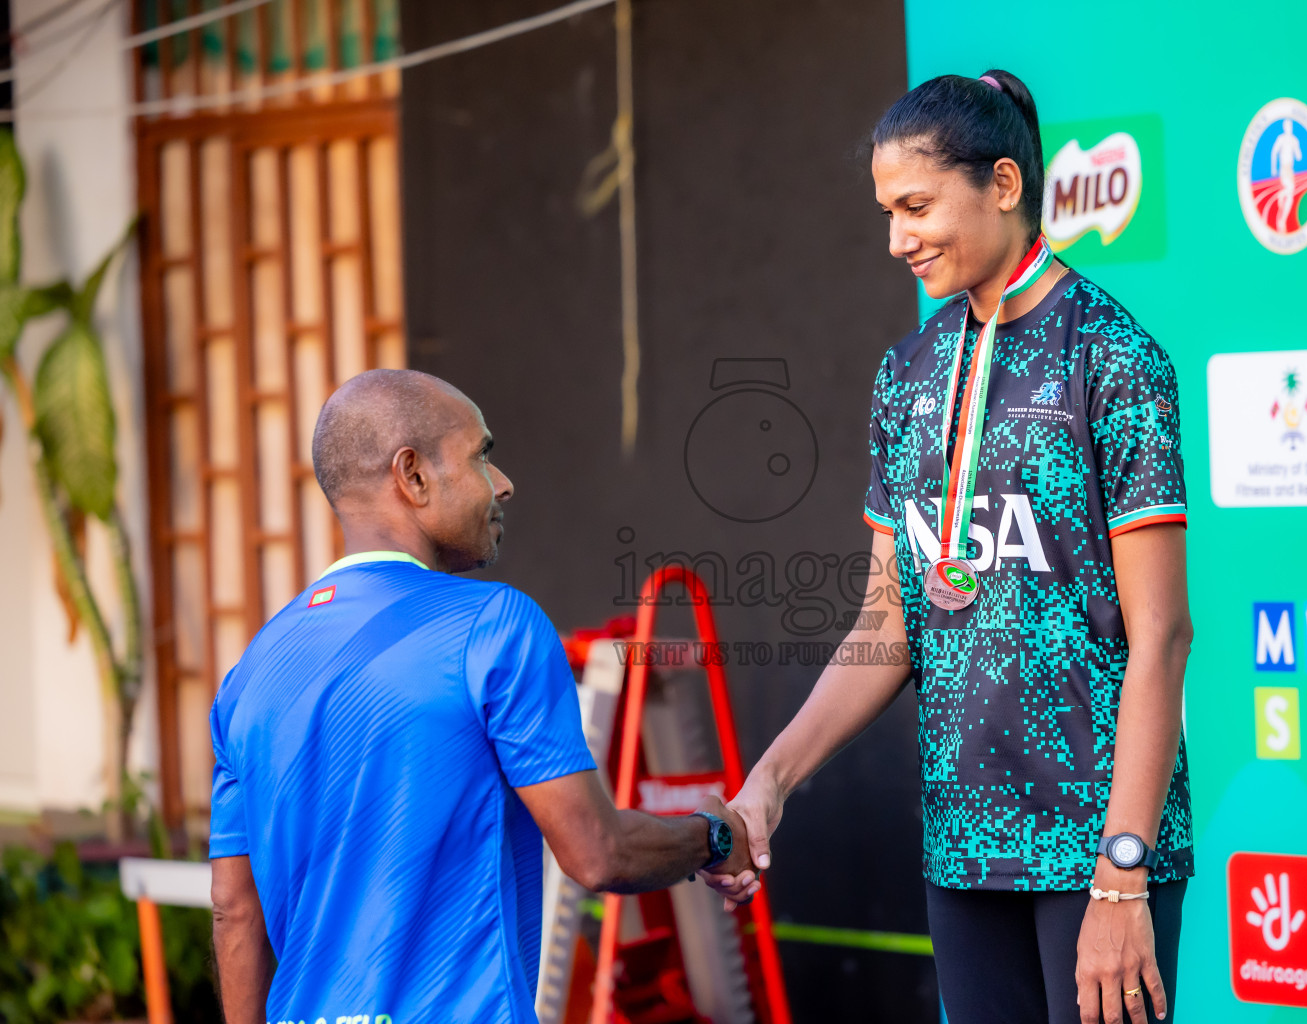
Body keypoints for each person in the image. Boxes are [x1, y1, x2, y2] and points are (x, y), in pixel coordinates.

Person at [702, 71, 1195, 1024]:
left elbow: (1162, 636)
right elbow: (889, 620)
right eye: (888, 212)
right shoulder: (907, 373)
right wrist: (770, 783)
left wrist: (1123, 871)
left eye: (917, 207)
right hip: (965, 847)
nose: (898, 238)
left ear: (1003, 184)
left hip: (1096, 849)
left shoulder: (1112, 357)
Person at [208, 369, 752, 1024]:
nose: (503, 483)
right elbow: (598, 853)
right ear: (413, 476)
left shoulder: (247, 677)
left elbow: (234, 912)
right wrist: (715, 836)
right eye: (481, 456)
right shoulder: (494, 625)